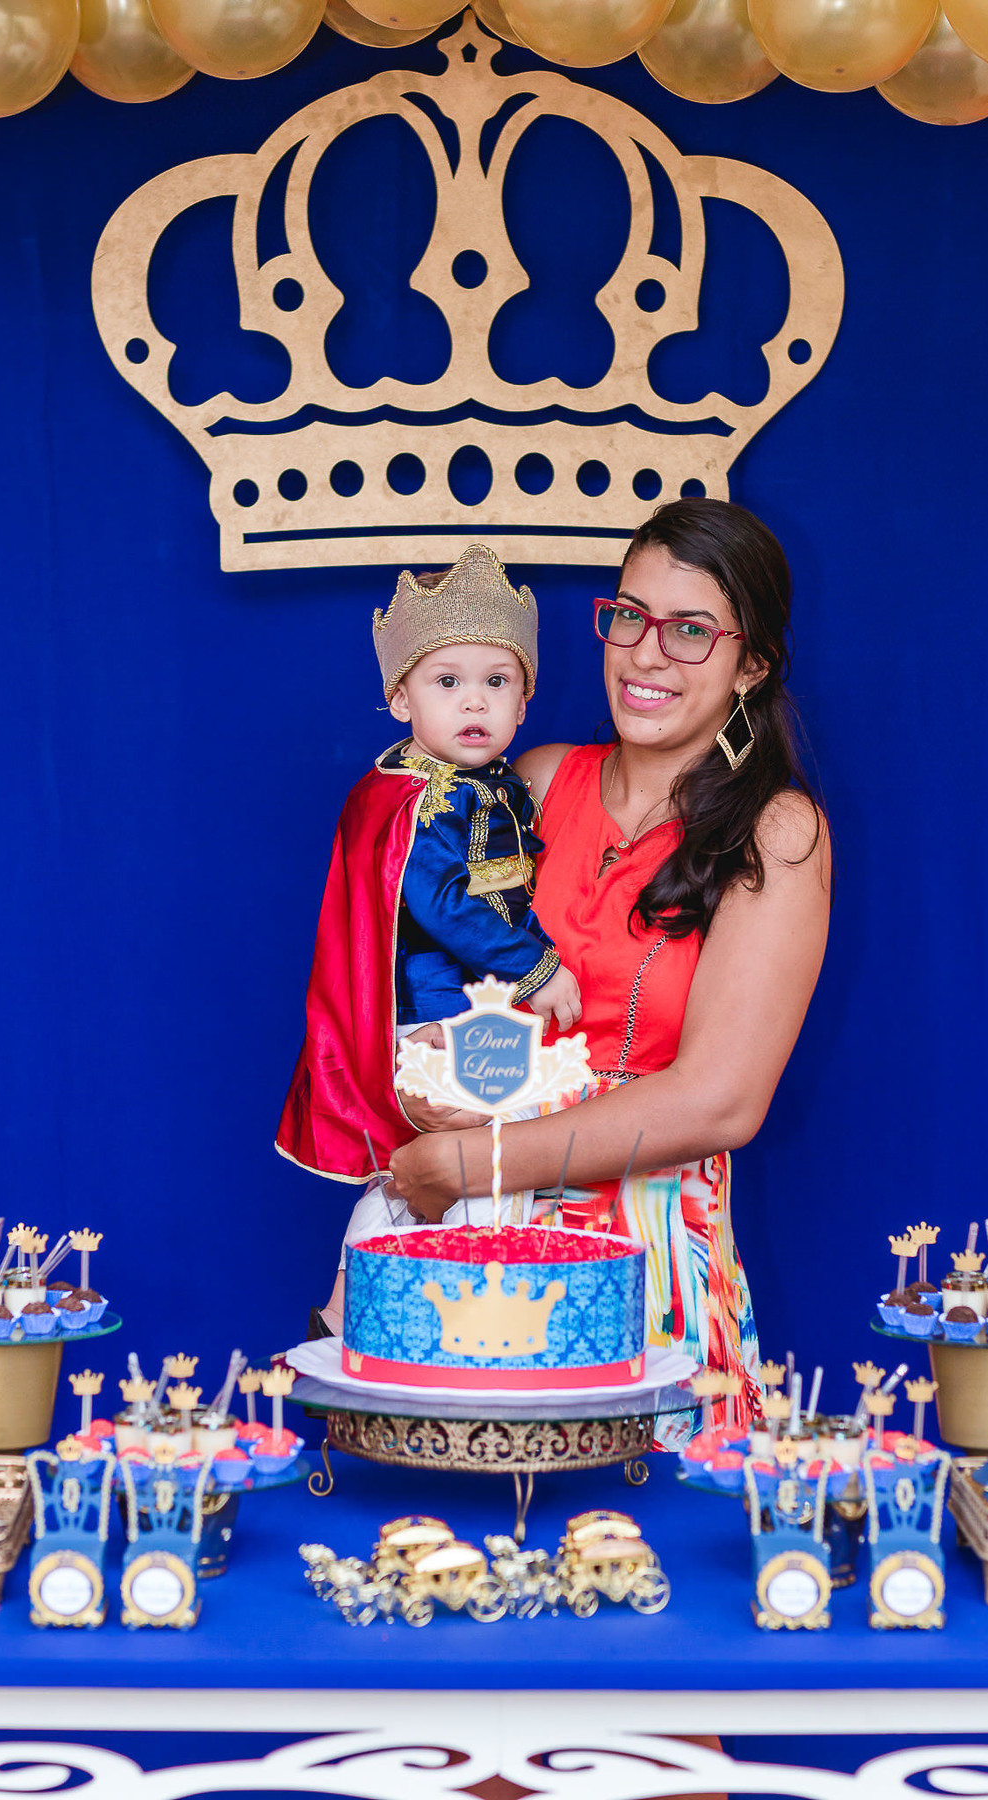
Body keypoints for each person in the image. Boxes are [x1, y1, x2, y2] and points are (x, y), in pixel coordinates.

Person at [384, 499, 831, 1443]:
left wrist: (474, 1162)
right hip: (476, 1243)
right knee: (462, 1535)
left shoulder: (777, 833)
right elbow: (420, 964)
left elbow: (720, 1103)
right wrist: (425, 1089)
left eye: (690, 631)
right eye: (628, 615)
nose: (645, 653)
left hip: (649, 1256)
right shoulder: (535, 781)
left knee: (643, 1554)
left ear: (751, 664)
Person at [276, 542, 582, 1331]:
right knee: (492, 1162)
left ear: (525, 697)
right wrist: (538, 967)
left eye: (496, 682)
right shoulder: (425, 798)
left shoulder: (481, 787)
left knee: (420, 1178)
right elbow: (441, 902)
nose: (473, 703)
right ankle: (469, 1317)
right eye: (447, 683)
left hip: (469, 1012)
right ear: (401, 699)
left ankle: (351, 1312)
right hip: (445, 1020)